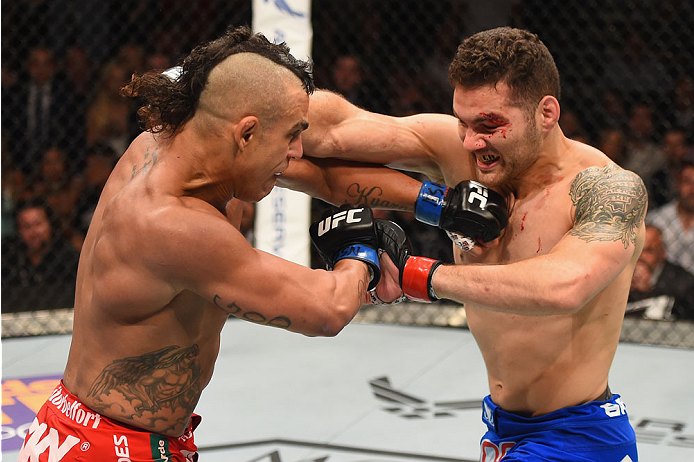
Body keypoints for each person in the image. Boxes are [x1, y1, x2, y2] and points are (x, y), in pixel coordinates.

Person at [18, 26, 400, 462]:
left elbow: (324, 171)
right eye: (291, 134)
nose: (297, 151)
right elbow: (325, 310)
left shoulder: (165, 148)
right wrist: (361, 251)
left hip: (90, 429)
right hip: (110, 448)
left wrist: (430, 203)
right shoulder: (173, 226)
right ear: (246, 134)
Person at [285, 27, 646, 461]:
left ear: (547, 112)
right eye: (464, 122)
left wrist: (418, 274)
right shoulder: (461, 152)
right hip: (502, 428)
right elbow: (331, 129)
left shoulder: (607, 189)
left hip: (580, 438)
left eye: (490, 125)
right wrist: (430, 201)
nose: (473, 142)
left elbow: (565, 286)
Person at [0, 198, 80, 313]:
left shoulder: (67, 257)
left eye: (38, 224)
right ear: (19, 231)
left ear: (49, 225)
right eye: (27, 227)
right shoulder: (10, 260)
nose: (34, 232)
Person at [627, 224, 694, 320]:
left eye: (649, 250)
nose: (641, 256)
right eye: (636, 250)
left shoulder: (683, 282)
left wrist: (648, 291)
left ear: (662, 253)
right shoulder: (619, 274)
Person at [646, 155, 694, 276]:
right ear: (678, 184)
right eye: (687, 182)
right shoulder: (656, 220)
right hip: (663, 287)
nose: (693, 189)